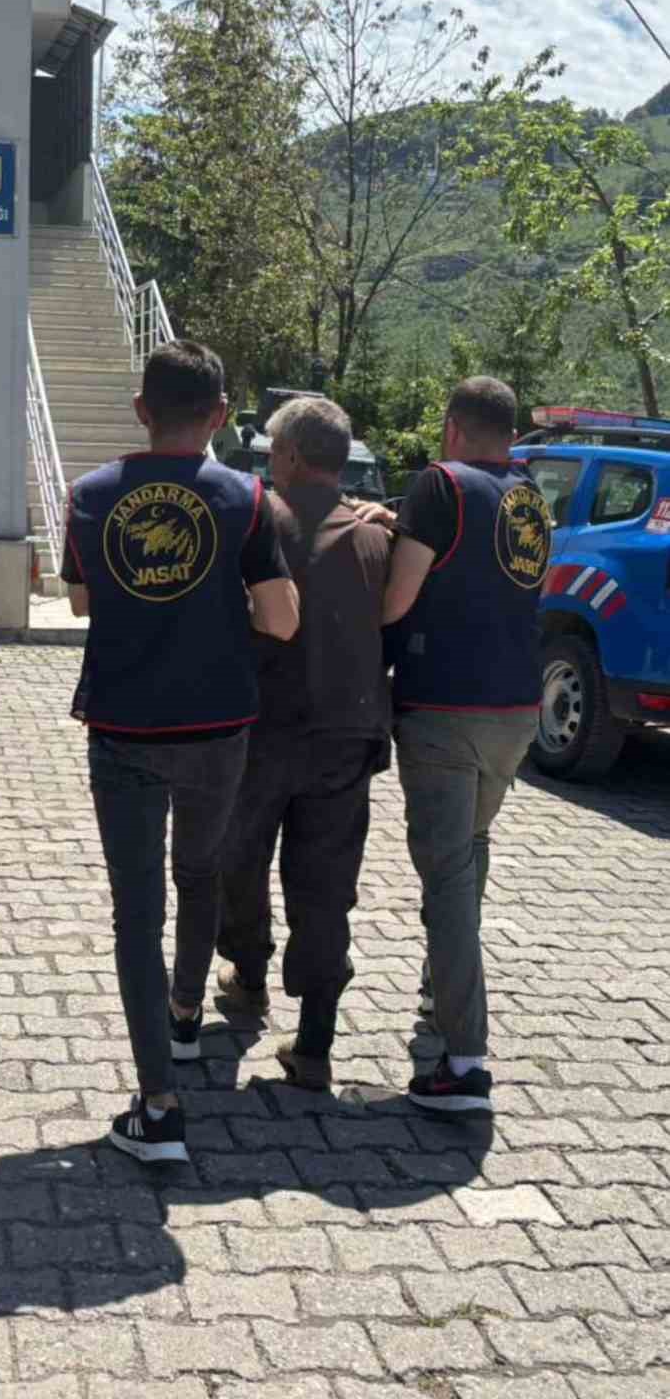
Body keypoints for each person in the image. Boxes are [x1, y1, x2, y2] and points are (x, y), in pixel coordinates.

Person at [62, 341, 299, 1162]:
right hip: (217, 726)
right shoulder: (246, 497)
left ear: (140, 410)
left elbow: (84, 600)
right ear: (222, 416)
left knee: (136, 914)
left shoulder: (90, 495)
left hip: (124, 727)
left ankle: (158, 1106)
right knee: (199, 874)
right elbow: (282, 620)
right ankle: (188, 1016)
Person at [381, 377, 551, 1113]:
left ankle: (464, 1060)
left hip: (446, 708)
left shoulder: (438, 484)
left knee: (447, 876)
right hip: (516, 711)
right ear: (510, 433)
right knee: (470, 852)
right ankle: (437, 991)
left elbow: (396, 599)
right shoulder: (529, 497)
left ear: (451, 426)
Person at [216, 397, 391, 1089]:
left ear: (288, 455)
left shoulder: (259, 522)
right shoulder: (377, 538)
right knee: (326, 887)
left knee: (240, 858)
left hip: (261, 730)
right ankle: (315, 1042)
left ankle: (248, 977)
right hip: (348, 736)